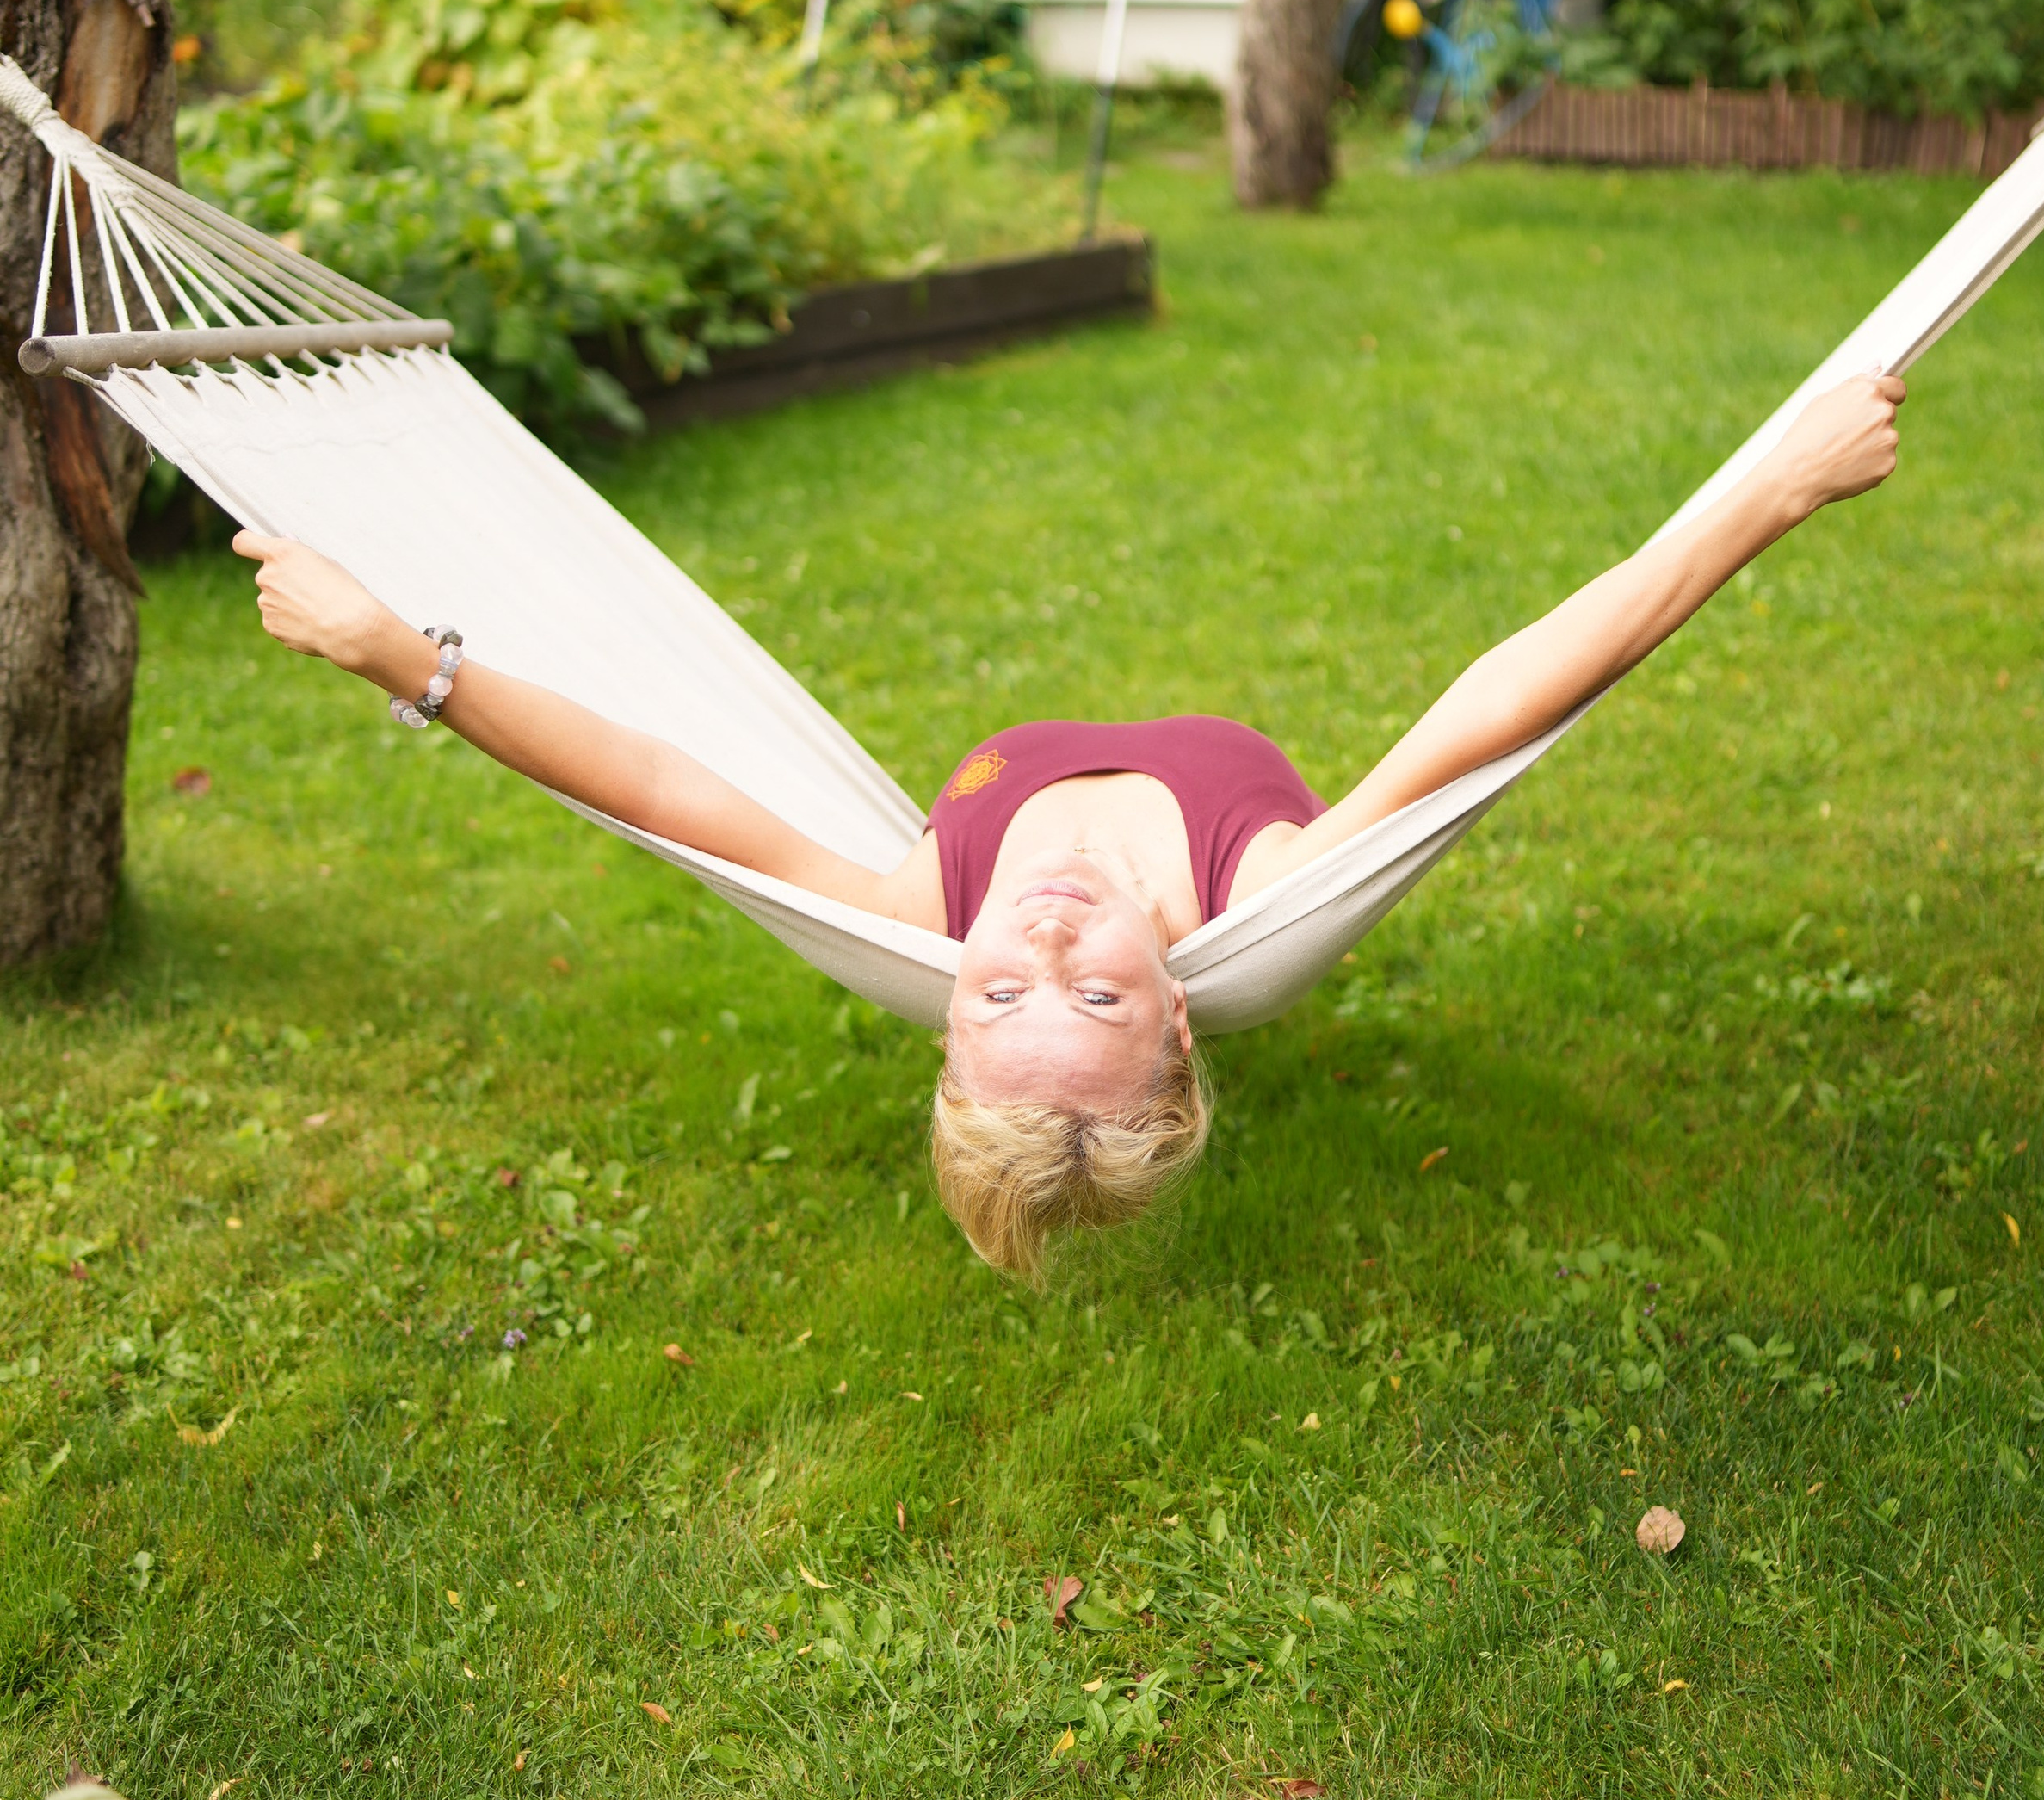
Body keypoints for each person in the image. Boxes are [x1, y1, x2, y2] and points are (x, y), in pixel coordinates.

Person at [234, 366, 1905, 1277]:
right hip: (1223, 808)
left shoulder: (925, 905)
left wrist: (407, 655)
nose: (1030, 945)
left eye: (993, 1000)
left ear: (942, 1009)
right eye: (1090, 998)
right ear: (1179, 1018)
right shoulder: (1263, 894)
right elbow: (1504, 697)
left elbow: (672, 792)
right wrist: (1770, 487)